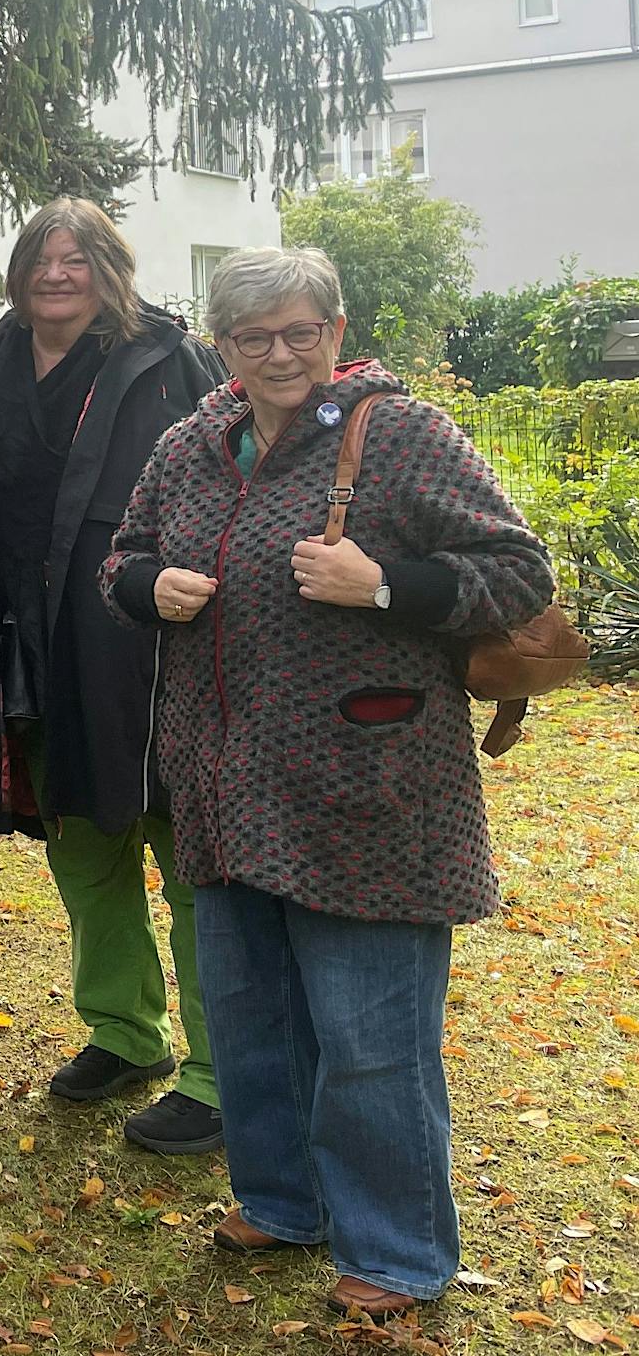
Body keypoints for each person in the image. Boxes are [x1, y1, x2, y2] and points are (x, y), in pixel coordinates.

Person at [99, 246, 553, 1318]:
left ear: (335, 331)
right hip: (223, 781)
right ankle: (281, 1197)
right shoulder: (190, 442)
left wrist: (387, 582)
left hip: (371, 784)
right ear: (222, 344)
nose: (279, 353)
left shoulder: (397, 432)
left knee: (365, 1035)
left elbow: (519, 570)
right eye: (253, 336)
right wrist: (144, 585)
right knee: (252, 1020)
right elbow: (119, 555)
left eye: (300, 331)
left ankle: (394, 1248)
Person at [0, 200, 224, 1154]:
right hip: (29, 642)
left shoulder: (168, 359)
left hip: (140, 640)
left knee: (181, 845)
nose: (54, 274)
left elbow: (225, 488)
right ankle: (124, 1029)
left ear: (109, 269)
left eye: (75, 259)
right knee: (77, 835)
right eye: (39, 258)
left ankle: (220, 1070)